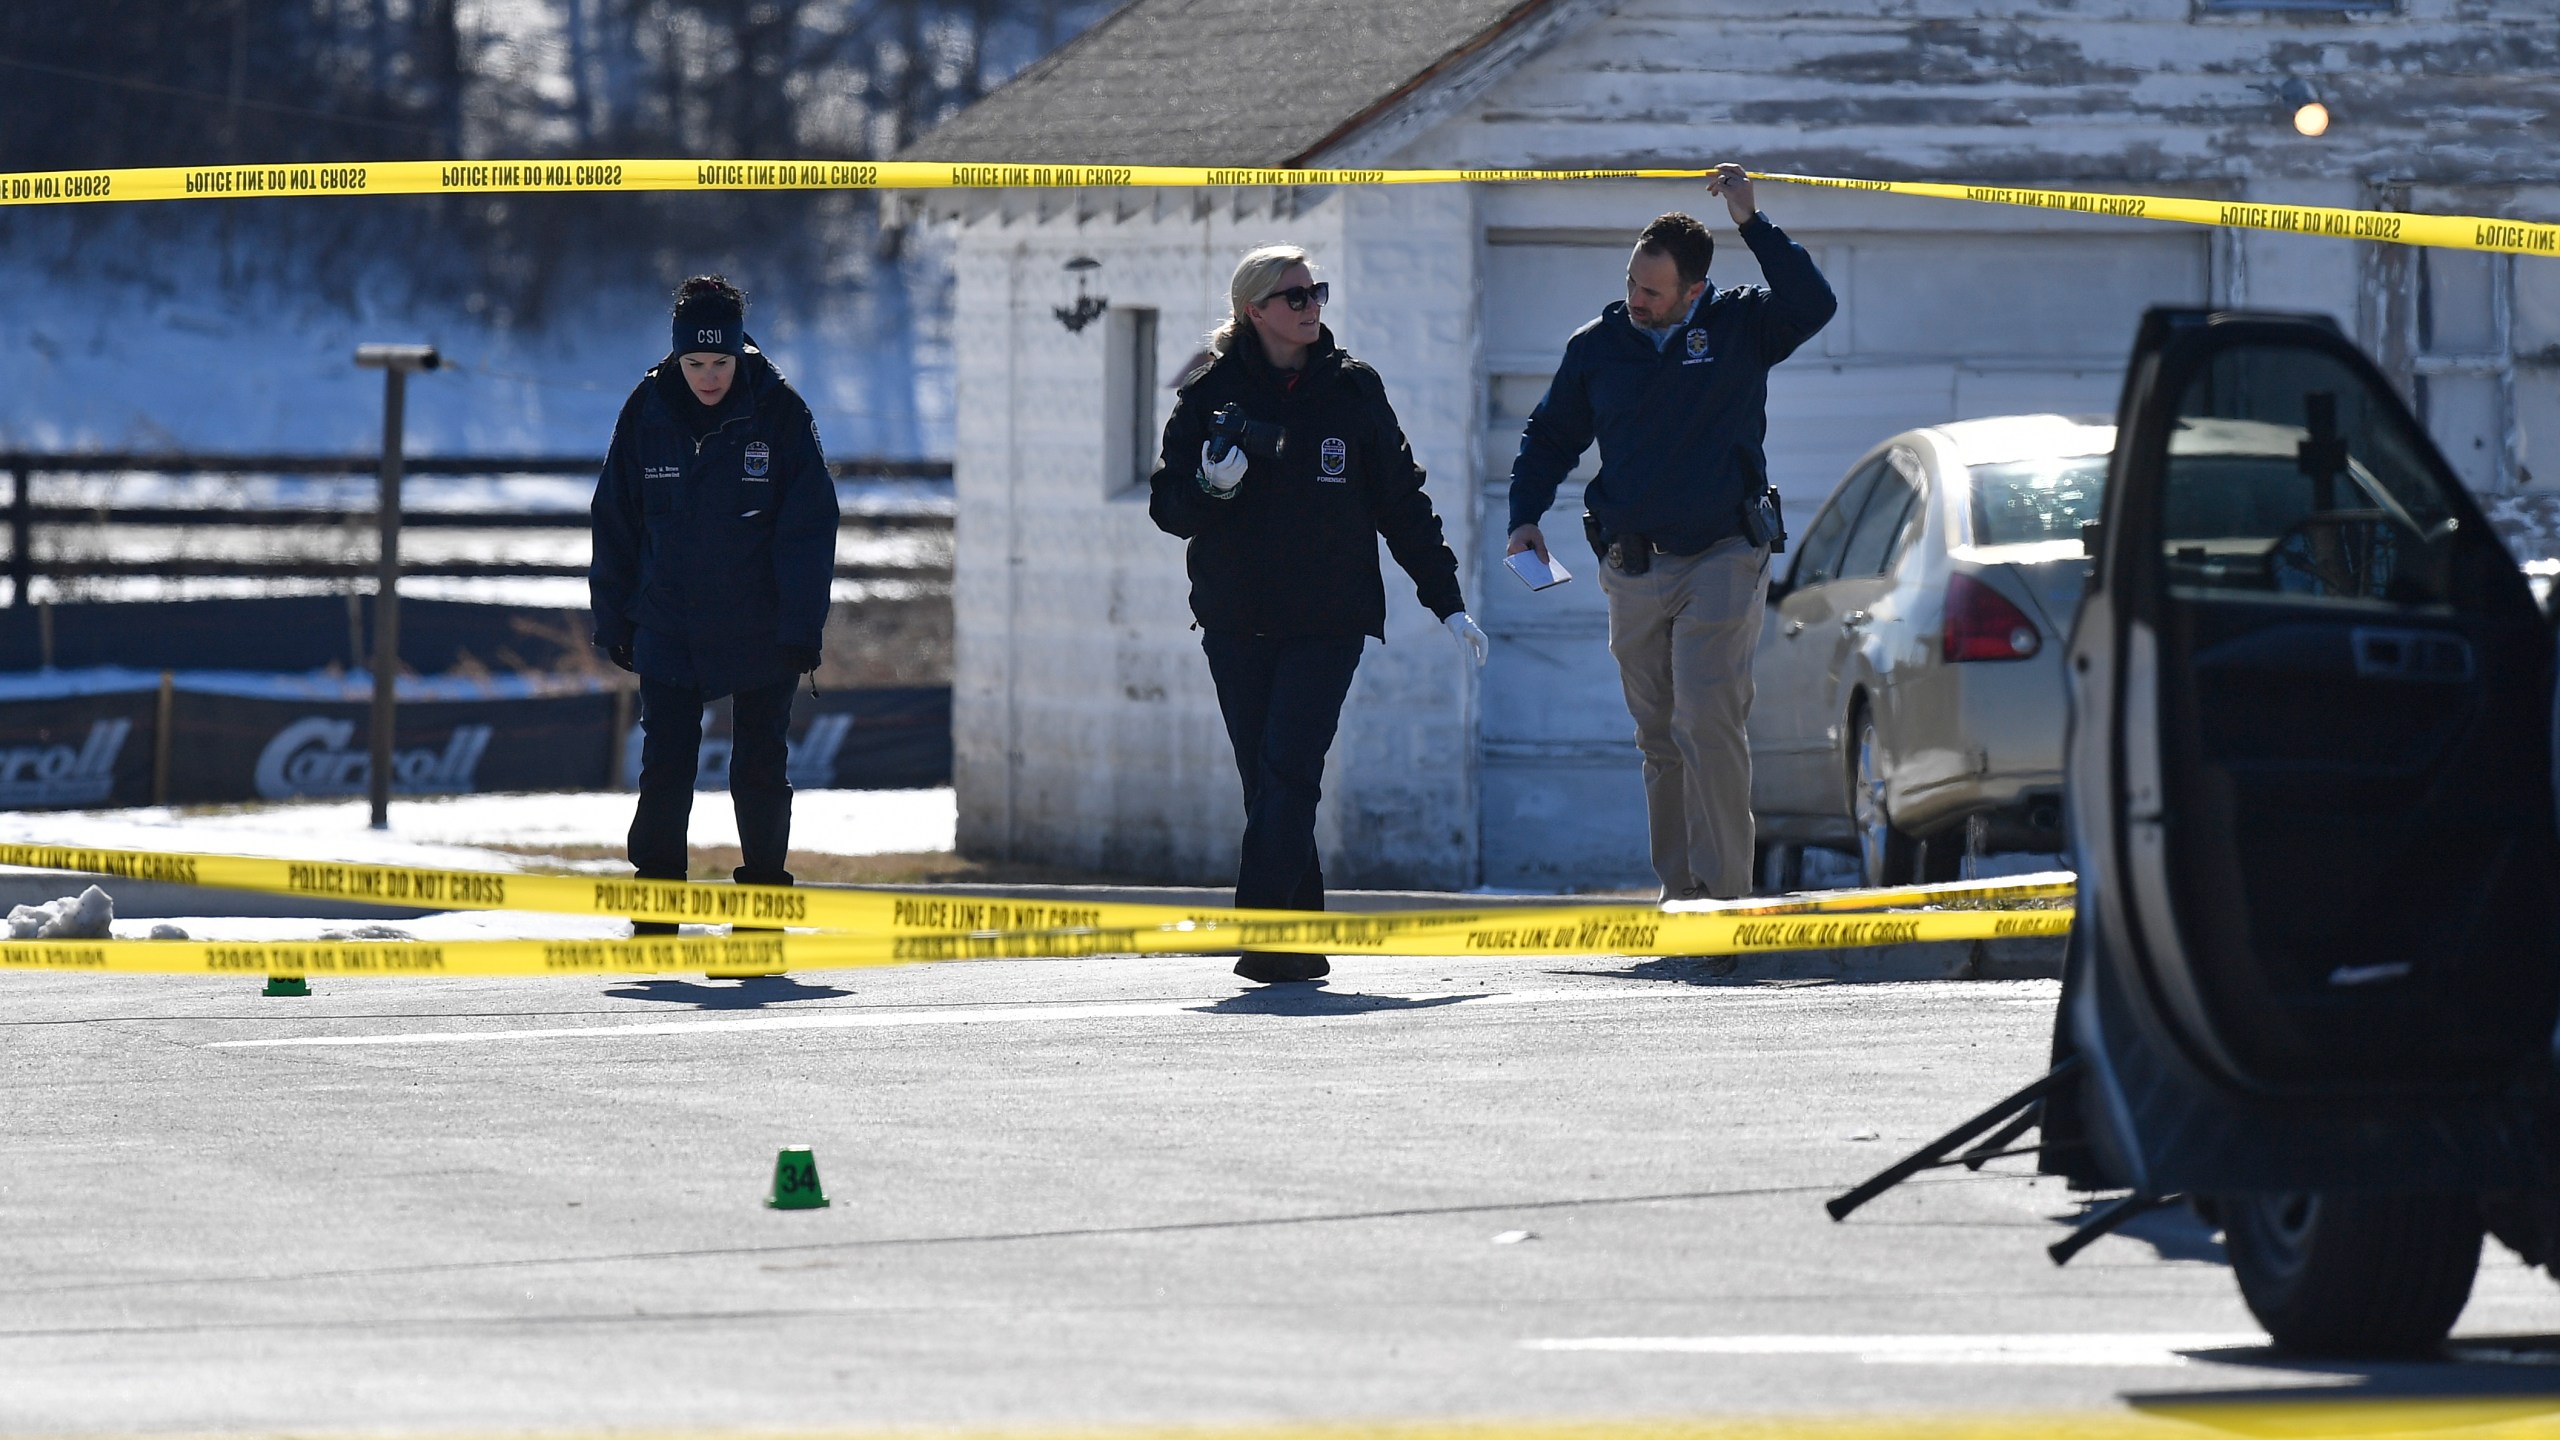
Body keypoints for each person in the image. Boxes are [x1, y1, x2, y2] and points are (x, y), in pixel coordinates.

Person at [1150, 244, 1489, 985]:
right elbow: (1168, 509)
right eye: (1295, 297)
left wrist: (1446, 601)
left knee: (1290, 769)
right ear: (1256, 311)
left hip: (1329, 618)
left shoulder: (1352, 389)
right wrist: (1211, 485)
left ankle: (1260, 929)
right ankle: (1297, 945)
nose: (1311, 307)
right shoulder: (1208, 391)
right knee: (1265, 780)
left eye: (1316, 292)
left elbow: (1401, 501)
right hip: (1237, 619)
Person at [1505, 164, 1837, 901]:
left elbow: (1815, 303)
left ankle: (1723, 901)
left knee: (1707, 717)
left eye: (1651, 291)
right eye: (1630, 282)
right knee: (1659, 735)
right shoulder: (1598, 346)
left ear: (1694, 290)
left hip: (1722, 552)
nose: (1634, 300)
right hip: (1631, 568)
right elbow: (1551, 434)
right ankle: (1681, 893)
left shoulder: (1744, 326)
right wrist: (1524, 515)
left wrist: (1754, 222)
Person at [590, 275, 839, 934]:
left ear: (741, 354)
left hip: (761, 632)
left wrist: (801, 629)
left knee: (760, 771)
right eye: (694, 363)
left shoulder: (781, 413)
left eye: (720, 362)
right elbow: (615, 519)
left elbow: (810, 530)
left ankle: (761, 918)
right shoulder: (645, 410)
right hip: (669, 626)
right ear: (676, 357)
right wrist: (613, 618)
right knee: (666, 770)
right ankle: (656, 913)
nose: (707, 376)